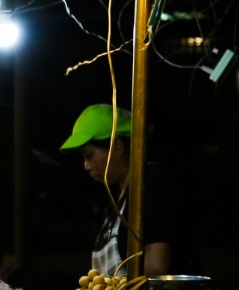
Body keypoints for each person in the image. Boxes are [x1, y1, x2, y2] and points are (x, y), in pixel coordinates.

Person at [60, 103, 185, 278]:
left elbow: (157, 265)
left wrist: (108, 288)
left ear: (118, 145)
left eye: (89, 155)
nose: (86, 166)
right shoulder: (118, 200)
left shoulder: (152, 182)